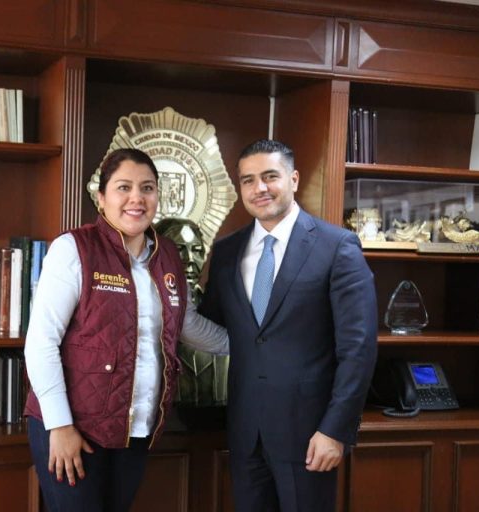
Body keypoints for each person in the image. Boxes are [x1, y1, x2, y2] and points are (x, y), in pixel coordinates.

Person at [23, 148, 228, 512]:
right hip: (73, 428)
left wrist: (247, 345)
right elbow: (41, 343)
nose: (137, 198)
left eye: (147, 188)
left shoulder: (167, 254)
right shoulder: (74, 249)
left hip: (136, 428)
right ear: (102, 197)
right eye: (124, 187)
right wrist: (60, 426)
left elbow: (186, 324)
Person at [184, 139, 378, 511]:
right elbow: (218, 326)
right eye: (248, 180)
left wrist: (335, 429)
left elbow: (359, 349)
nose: (259, 188)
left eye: (270, 176)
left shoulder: (337, 246)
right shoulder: (226, 252)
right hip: (245, 434)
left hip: (310, 436)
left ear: (294, 179)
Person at [155, 217, 229, 408]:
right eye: (178, 249)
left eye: (197, 250)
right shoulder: (147, 309)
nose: (189, 259)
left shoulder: (218, 305)